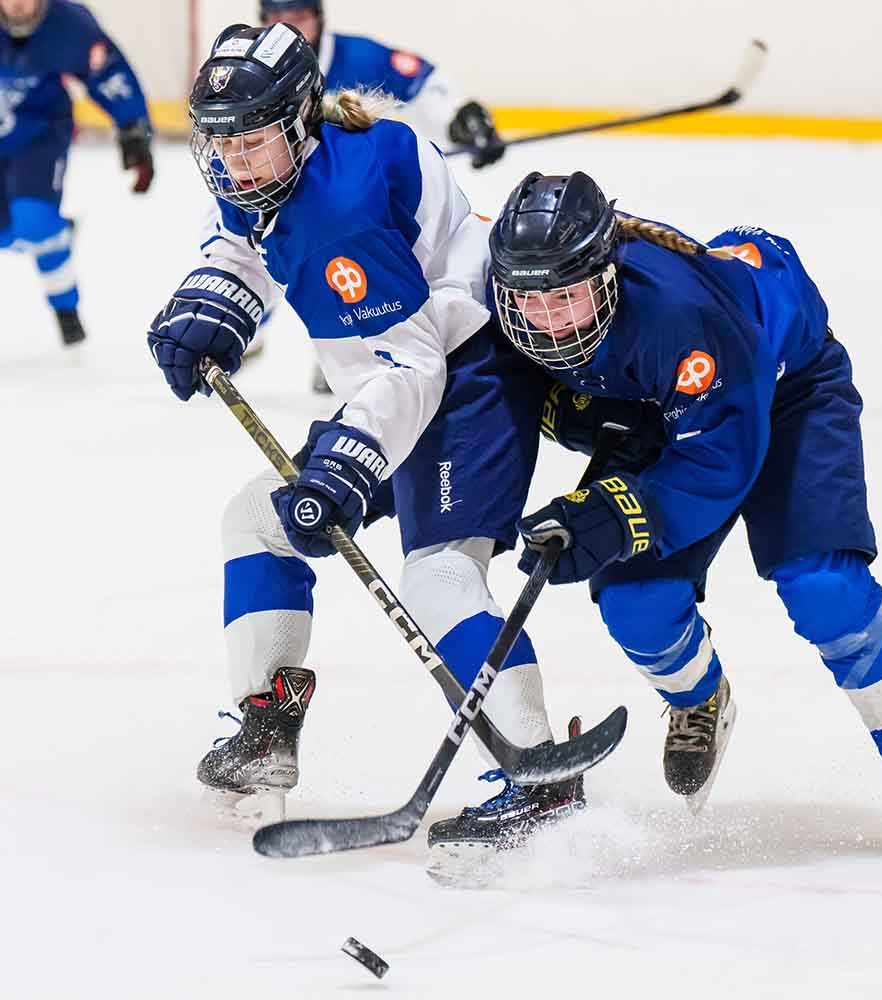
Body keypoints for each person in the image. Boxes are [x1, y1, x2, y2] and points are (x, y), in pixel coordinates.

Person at [426, 170, 882, 867]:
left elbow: (721, 462)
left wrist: (614, 514)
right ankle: (701, 699)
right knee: (636, 605)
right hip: (658, 412)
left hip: (784, 397)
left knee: (824, 587)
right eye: (531, 301)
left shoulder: (680, 316)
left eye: (568, 297)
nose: (550, 322)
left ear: (607, 276)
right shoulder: (508, 303)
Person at [146, 24, 576, 823]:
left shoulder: (337, 210)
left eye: (253, 146)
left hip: (468, 372)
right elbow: (246, 240)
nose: (236, 165)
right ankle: (265, 724)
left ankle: (539, 779)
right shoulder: (280, 168)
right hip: (410, 368)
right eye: (223, 147)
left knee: (439, 579)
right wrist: (212, 302)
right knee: (258, 521)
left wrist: (351, 461)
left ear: (302, 120)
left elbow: (411, 368)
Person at [255, 0, 505, 393]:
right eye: (277, 19)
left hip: (360, 199)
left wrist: (462, 120)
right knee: (279, 252)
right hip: (290, 198)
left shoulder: (361, 57)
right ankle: (273, 332)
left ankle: (362, 346)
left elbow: (423, 82)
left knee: (380, 257)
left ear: (318, 17)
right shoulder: (257, 79)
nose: (291, 28)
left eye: (299, 17)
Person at [0, 0, 153, 345]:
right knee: (13, 231)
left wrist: (133, 132)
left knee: (35, 222)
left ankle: (66, 310)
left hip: (39, 135)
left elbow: (110, 74)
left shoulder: (68, 23)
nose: (18, 5)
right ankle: (60, 231)